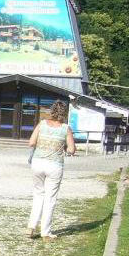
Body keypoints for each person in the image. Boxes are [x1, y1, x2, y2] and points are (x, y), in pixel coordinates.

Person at [26, 100, 76, 241]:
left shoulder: (41, 124)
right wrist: (63, 146)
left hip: (37, 163)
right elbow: (71, 150)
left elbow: (31, 142)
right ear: (64, 113)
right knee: (50, 198)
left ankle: (31, 227)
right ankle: (45, 232)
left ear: (51, 111)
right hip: (54, 165)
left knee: (38, 195)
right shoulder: (66, 128)